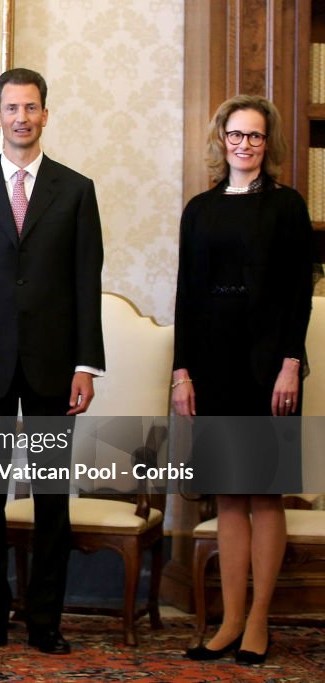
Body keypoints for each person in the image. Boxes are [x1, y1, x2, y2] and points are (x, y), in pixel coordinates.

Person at [0, 68, 104, 655]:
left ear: (45, 115)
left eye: (32, 107)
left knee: (51, 499)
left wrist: (87, 365)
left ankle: (45, 622)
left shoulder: (76, 190)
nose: (22, 117)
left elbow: (88, 282)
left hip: (54, 367)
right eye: (12, 108)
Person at [175, 95, 315, 666]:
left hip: (267, 364)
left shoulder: (286, 206)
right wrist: (182, 372)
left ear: (267, 143)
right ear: (221, 139)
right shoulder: (201, 209)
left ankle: (259, 619)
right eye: (237, 135)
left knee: (263, 491)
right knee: (227, 494)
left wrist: (290, 363)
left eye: (256, 137)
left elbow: (297, 291)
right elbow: (186, 293)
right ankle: (229, 620)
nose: (245, 145)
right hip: (213, 362)